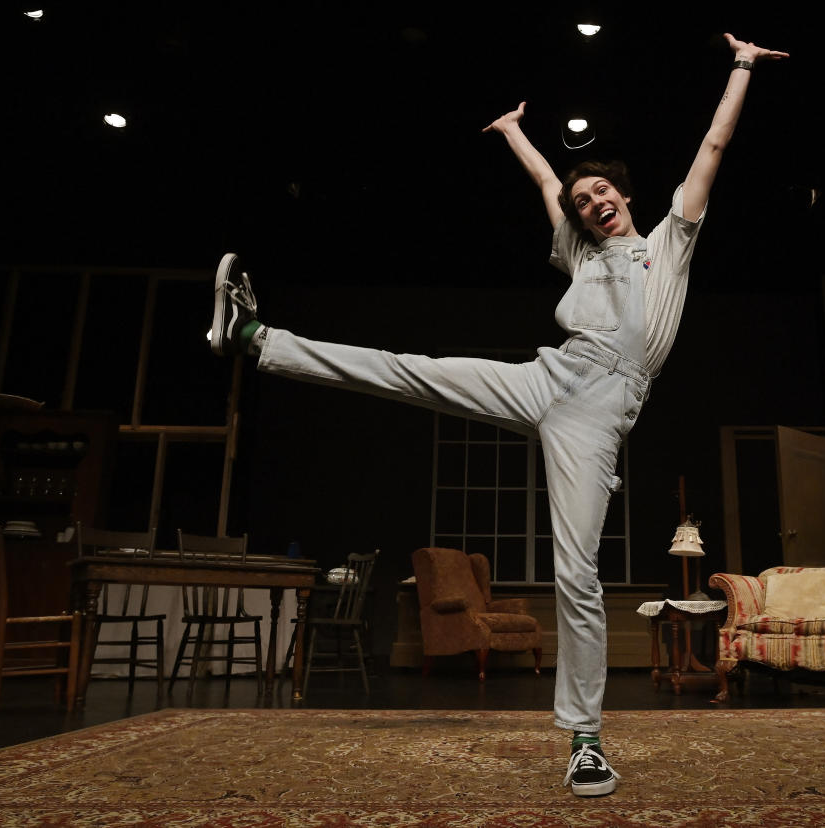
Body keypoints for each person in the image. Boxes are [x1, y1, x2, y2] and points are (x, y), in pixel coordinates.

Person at [209, 32, 788, 797]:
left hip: (601, 409)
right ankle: (255, 336)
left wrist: (741, 65)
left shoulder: (670, 243)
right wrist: (515, 134)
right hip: (549, 376)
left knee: (575, 572)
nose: (590, 202)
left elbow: (714, 142)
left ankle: (584, 739)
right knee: (408, 372)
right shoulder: (579, 254)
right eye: (581, 201)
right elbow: (548, 184)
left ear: (625, 196)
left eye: (601, 193)